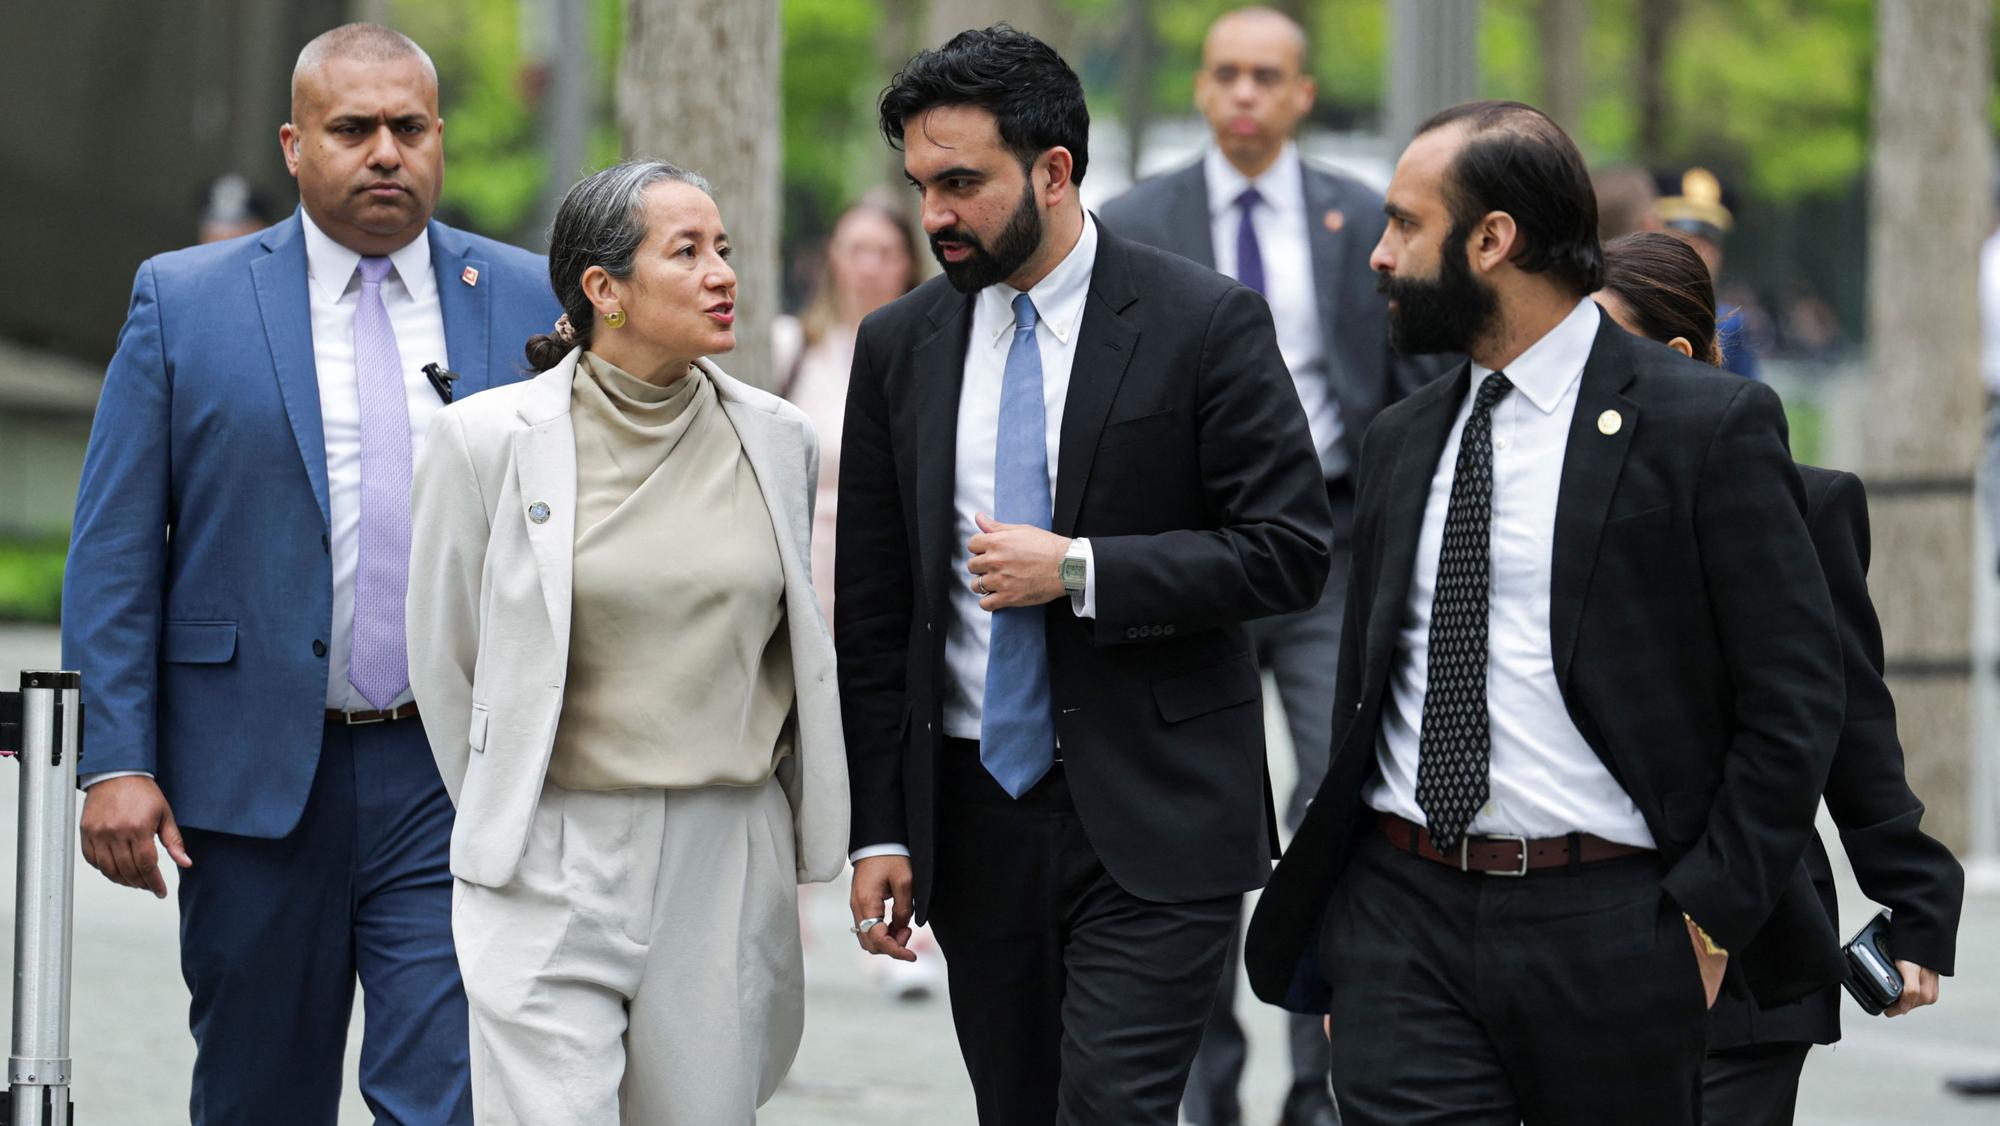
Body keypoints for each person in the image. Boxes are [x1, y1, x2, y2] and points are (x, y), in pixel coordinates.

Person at [1245, 101, 1846, 1126]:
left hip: (1609, 925)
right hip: (1401, 921)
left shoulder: (1703, 425)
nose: (1380, 255)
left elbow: (1794, 697)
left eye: (1405, 224)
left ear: (1492, 239)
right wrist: (1355, 937)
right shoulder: (1399, 440)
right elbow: (1365, 695)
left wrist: (1707, 917)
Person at [60, 24, 556, 1124]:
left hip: (451, 774)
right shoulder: (184, 300)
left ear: (439, 138)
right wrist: (116, 759)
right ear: (294, 146)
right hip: (251, 779)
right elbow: (116, 550)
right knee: (258, 1097)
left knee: (447, 1097)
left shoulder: (528, 299)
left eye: (409, 128)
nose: (385, 152)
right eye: (352, 128)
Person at [838, 26, 1333, 1125]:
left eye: (962, 184)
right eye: (921, 187)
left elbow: (1289, 548)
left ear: (1053, 171)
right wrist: (880, 828)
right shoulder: (898, 346)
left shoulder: (1203, 321)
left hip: (1157, 808)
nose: (935, 216)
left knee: (1113, 1108)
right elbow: (874, 614)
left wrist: (1077, 569)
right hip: (975, 816)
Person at [403, 159, 849, 1123]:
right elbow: (445, 660)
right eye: (686, 252)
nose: (722, 273)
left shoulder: (778, 438)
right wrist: (508, 810)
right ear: (604, 290)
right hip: (552, 849)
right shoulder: (483, 442)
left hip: (724, 852)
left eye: (723, 248)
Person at [1100, 9, 1438, 1124]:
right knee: (1187, 816)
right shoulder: (1132, 224)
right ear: (1201, 89)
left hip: (1330, 549)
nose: (1244, 93)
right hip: (1188, 558)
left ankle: (1318, 1086)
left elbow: (1409, 379)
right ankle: (1202, 1089)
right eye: (1227, 74)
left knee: (1332, 799)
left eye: (1267, 76)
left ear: (1301, 94)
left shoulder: (1363, 222)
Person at [1595, 231, 1963, 1126]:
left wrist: (1916, 901)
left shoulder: (1804, 504)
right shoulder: (1530, 510)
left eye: (1597, 348)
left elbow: (1843, 718)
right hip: (1568, 944)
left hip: (1747, 958)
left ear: (1677, 357)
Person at [1655, 165, 1762, 379]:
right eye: (1685, 240)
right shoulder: (1626, 307)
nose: (1701, 253)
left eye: (1708, 242)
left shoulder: (1731, 326)